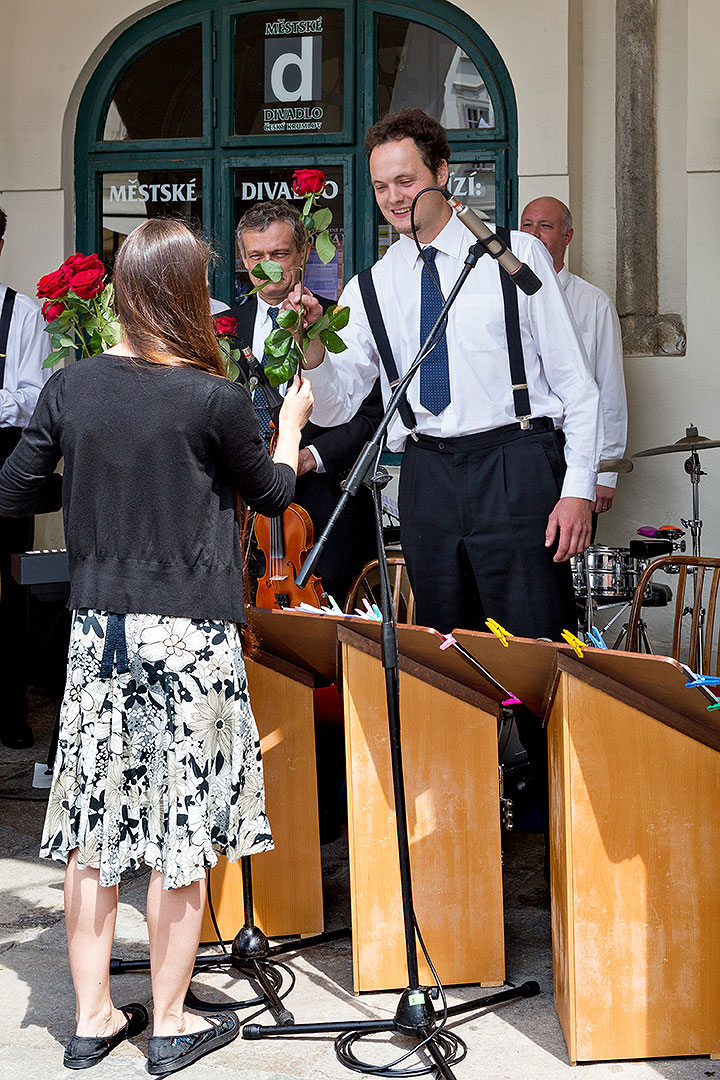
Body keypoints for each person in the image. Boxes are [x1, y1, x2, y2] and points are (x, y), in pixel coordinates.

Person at [0, 219, 313, 1074]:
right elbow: (274, 492)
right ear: (186, 296)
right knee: (182, 834)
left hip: (100, 632)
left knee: (92, 835)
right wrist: (289, 425)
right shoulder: (213, 399)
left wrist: (96, 464)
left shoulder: (71, 387)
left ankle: (93, 1017)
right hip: (191, 639)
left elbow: (13, 490)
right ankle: (169, 1021)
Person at [292, 109, 602, 644]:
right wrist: (313, 344)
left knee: (535, 648)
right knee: (446, 651)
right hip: (427, 475)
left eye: (406, 181)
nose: (394, 198)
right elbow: (338, 406)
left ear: (441, 172)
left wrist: (578, 492)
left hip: (517, 465)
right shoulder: (371, 287)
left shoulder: (515, 256)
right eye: (381, 186)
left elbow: (578, 387)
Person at [228, 200, 382, 606]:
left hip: (327, 508)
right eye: (256, 256)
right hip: (249, 519)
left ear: (303, 253)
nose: (268, 266)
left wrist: (310, 456)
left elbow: (370, 415)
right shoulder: (223, 327)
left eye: (279, 254)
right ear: (242, 258)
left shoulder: (341, 320)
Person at [520, 196, 627, 516]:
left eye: (545, 226)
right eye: (527, 225)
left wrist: (606, 472)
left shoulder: (594, 304)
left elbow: (609, 390)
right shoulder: (504, 297)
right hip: (516, 449)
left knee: (569, 559)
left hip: (572, 447)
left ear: (566, 236)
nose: (534, 233)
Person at [0, 205, 52, 748]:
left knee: (9, 594)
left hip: (5, 469)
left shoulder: (22, 314)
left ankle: (9, 707)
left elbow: (34, 399)